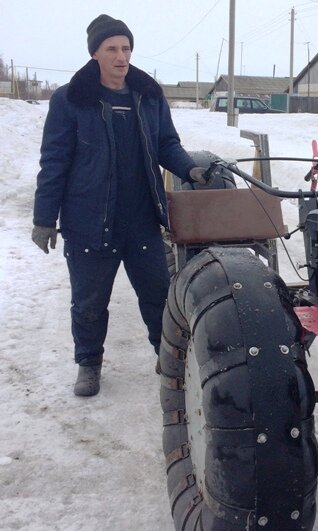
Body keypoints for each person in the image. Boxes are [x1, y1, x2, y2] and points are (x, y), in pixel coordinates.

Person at [32, 14, 207, 397]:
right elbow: (54, 161)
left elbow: (166, 145)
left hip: (141, 219)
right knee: (89, 303)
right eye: (111, 48)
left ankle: (169, 361)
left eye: (126, 48)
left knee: (158, 297)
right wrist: (44, 218)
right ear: (95, 53)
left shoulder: (148, 96)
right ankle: (89, 363)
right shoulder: (70, 100)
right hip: (88, 221)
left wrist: (190, 169)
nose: (121, 56)